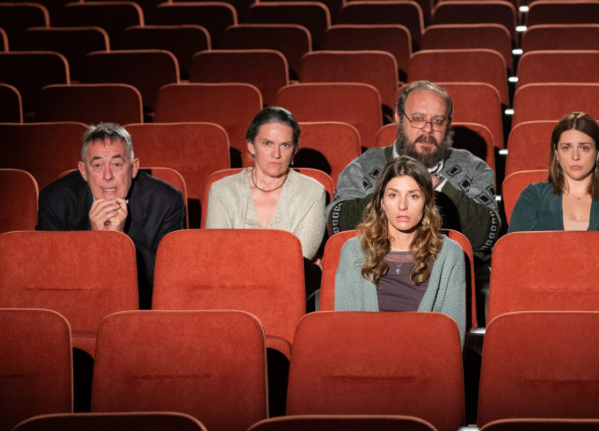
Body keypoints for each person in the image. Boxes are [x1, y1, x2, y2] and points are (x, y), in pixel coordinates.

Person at [327, 80, 499, 260]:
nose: (428, 129)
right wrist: (398, 188)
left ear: (448, 125)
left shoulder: (474, 168)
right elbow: (338, 227)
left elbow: (486, 236)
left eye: (438, 121)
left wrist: (441, 186)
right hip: (375, 269)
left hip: (455, 269)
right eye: (418, 119)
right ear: (399, 118)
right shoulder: (363, 167)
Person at [37, 122, 185, 308]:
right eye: (97, 165)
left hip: (139, 306)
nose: (107, 176)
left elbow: (167, 277)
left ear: (133, 168)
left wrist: (119, 240)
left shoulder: (166, 200)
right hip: (75, 304)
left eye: (116, 164)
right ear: (83, 171)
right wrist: (93, 239)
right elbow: (48, 275)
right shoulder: (55, 200)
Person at [334, 157, 467, 342]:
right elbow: (345, 330)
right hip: (365, 355)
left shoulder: (450, 254)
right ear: (381, 201)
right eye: (393, 195)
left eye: (413, 196)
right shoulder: (354, 250)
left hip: (426, 356)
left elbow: (453, 336)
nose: (402, 206)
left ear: (427, 202)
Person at [205, 106, 326, 260]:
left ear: (294, 150)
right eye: (267, 143)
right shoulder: (221, 190)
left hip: (288, 276)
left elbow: (299, 259)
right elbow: (217, 254)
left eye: (285, 145)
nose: (276, 154)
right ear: (251, 146)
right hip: (229, 275)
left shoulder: (313, 191)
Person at [509, 112, 599, 234]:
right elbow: (514, 250)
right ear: (556, 152)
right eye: (566, 148)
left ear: (598, 152)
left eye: (584, 148)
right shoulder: (533, 196)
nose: (575, 156)